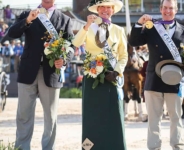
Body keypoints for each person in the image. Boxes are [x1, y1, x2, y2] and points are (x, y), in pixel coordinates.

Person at [7, 0, 74, 149]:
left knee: (50, 117)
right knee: (23, 115)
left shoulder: (65, 19)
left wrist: (64, 60)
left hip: (51, 73)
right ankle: (22, 147)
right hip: (27, 71)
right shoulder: (27, 14)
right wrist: (28, 20)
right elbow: (12, 33)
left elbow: (71, 46)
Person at [128, 0, 184, 149]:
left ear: (176, 10)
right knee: (153, 119)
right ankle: (154, 147)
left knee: (176, 118)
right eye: (165, 8)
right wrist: (139, 23)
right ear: (161, 9)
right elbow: (134, 41)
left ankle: (177, 146)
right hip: (154, 79)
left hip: (174, 80)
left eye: (171, 8)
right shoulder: (152, 28)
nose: (168, 11)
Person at [72, 0, 128, 149]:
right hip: (92, 76)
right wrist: (86, 26)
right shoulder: (90, 27)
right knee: (93, 115)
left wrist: (117, 71)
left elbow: (123, 56)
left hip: (112, 75)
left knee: (114, 114)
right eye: (101, 7)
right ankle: (90, 147)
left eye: (108, 7)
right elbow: (76, 43)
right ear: (97, 9)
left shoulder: (118, 30)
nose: (105, 10)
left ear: (113, 10)